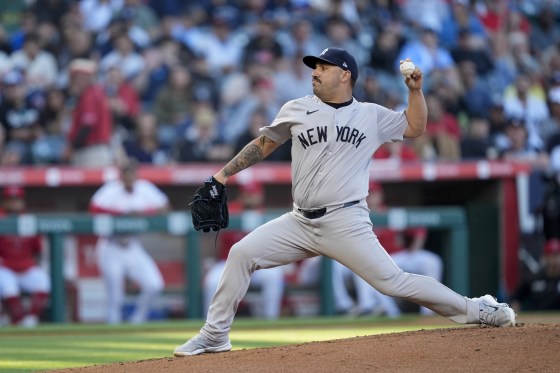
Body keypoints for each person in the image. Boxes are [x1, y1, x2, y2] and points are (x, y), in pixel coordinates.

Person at [174, 47, 516, 357]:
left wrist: (415, 92)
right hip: (299, 222)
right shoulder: (297, 108)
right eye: (313, 67)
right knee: (241, 254)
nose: (315, 72)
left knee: (392, 282)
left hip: (346, 221)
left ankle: (476, 309)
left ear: (345, 73)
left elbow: (415, 126)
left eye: (322, 67)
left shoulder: (370, 115)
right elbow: (264, 144)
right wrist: (221, 176)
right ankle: (215, 335)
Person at [89, 159, 170, 324]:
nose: (129, 175)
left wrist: (143, 212)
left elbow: (165, 207)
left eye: (132, 172)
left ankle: (137, 320)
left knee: (154, 285)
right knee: (115, 297)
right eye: (125, 172)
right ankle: (112, 332)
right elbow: (94, 208)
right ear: (121, 174)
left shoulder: (144, 188)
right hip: (111, 246)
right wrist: (123, 214)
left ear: (136, 173)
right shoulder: (111, 189)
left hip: (132, 246)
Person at [203, 182, 285, 320]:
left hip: (257, 266)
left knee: (274, 276)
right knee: (211, 282)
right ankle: (208, 326)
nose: (251, 198)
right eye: (248, 195)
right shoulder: (230, 211)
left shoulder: (265, 215)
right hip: (228, 264)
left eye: (254, 194)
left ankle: (271, 322)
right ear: (241, 196)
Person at [0, 186, 50, 327]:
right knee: (9, 287)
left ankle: (31, 319)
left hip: (25, 266)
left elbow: (38, 250)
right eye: (11, 200)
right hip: (5, 267)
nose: (15, 203)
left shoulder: (28, 219)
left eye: (17, 199)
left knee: (43, 281)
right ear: (5, 201)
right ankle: (18, 320)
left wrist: (35, 263)